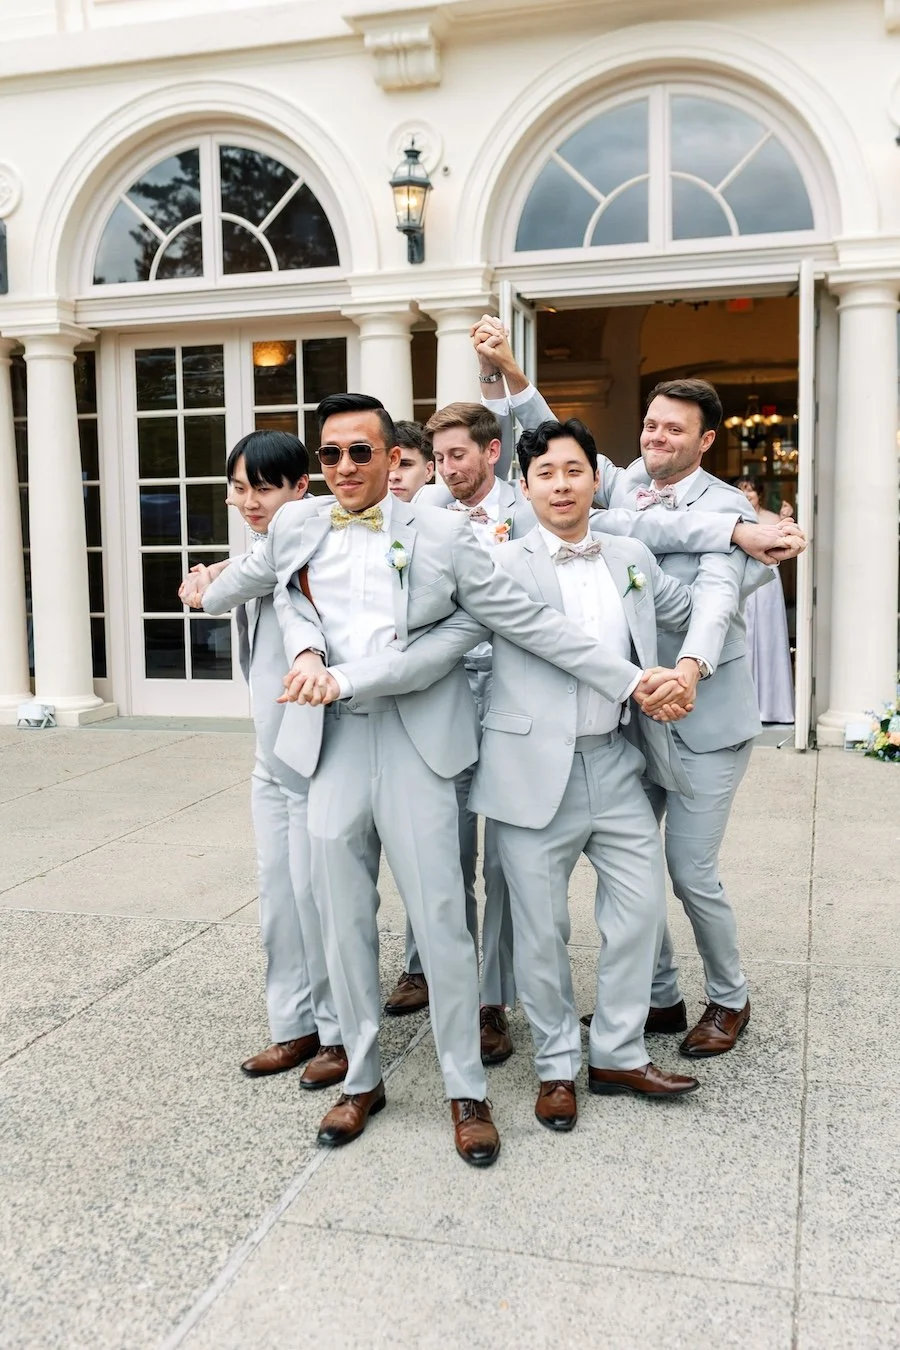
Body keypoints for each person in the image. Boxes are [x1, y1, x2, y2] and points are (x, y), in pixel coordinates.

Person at [198, 392, 695, 1165]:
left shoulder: (443, 531)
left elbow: (520, 620)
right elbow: (275, 589)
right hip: (328, 747)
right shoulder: (298, 522)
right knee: (341, 919)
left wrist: (630, 680)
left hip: (416, 743)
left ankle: (467, 1088)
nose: (345, 467)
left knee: (440, 922)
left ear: (392, 458)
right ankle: (361, 1077)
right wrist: (255, 620)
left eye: (361, 452)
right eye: (329, 454)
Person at [474, 324, 808, 1057]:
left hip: (703, 714)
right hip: (632, 718)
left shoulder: (736, 509)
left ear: (707, 439)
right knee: (634, 871)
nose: (655, 437)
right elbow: (553, 449)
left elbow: (718, 604)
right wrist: (506, 368)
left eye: (672, 429)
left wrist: (685, 674)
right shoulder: (623, 485)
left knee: (689, 870)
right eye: (650, 424)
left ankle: (730, 998)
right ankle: (659, 1000)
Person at [469, 418, 706, 1128]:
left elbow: (691, 608)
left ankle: (617, 1053)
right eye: (545, 473)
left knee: (638, 912)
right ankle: (553, 1067)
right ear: (523, 484)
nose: (562, 485)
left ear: (595, 478)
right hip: (529, 770)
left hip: (614, 760)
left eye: (574, 470)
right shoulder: (500, 563)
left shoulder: (629, 552)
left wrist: (690, 658)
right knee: (541, 931)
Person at [177, 431, 346, 1089]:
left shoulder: (310, 524)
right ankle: (294, 1025)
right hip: (269, 755)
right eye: (239, 488)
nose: (249, 501)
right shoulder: (271, 538)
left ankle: (335, 1033)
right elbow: (252, 562)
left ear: (300, 488)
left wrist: (210, 580)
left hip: (314, 750)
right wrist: (221, 566)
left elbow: (229, 589)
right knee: (279, 897)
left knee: (317, 900)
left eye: (264, 487)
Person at [384, 402, 538, 1063]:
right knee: (439, 846)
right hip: (440, 696)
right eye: (437, 458)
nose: (443, 469)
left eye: (456, 456)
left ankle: (489, 1002)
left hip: (510, 700)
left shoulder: (532, 509)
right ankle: (426, 964)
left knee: (502, 862)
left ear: (492, 451)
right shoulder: (421, 516)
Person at [734, 476, 796, 725]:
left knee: (769, 637)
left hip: (767, 584)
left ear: (759, 494)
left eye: (750, 490)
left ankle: (773, 707)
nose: (747, 495)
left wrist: (787, 517)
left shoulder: (772, 518)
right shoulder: (733, 518)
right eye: (741, 490)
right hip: (743, 581)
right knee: (744, 636)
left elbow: (788, 546)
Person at [387, 420, 435, 502]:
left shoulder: (453, 513)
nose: (393, 477)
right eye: (386, 465)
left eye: (405, 464)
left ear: (428, 471)